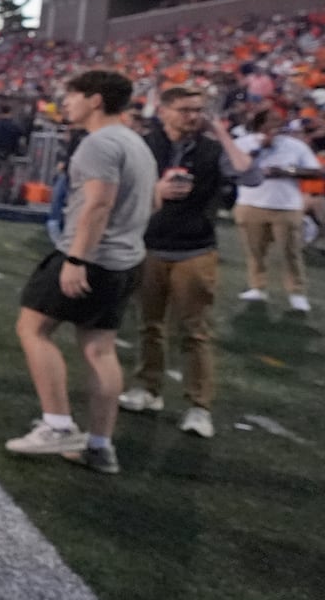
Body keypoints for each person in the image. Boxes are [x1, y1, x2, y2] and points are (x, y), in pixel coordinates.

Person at [4, 70, 157, 475]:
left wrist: (77, 258)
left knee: (32, 328)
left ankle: (57, 424)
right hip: (125, 259)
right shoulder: (134, 141)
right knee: (99, 349)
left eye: (71, 96)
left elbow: (98, 204)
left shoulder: (100, 143)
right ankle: (100, 445)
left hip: (92, 256)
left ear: (95, 99)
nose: (65, 104)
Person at [118, 85, 256, 438]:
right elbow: (122, 192)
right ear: (163, 111)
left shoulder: (211, 148)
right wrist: (157, 194)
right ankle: (147, 388)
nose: (193, 116)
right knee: (149, 325)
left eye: (198, 110)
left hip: (195, 248)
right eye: (184, 109)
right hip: (149, 244)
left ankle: (199, 406)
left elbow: (250, 175)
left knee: (195, 331)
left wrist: (221, 132)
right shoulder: (145, 144)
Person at [232, 108, 321, 313]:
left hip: (286, 205)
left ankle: (296, 292)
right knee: (254, 250)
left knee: (291, 252)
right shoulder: (244, 143)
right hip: (251, 203)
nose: (276, 125)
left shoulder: (295, 146)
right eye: (271, 120)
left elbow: (316, 171)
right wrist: (258, 150)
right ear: (259, 122)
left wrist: (286, 171)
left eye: (279, 121)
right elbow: (235, 167)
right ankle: (257, 287)